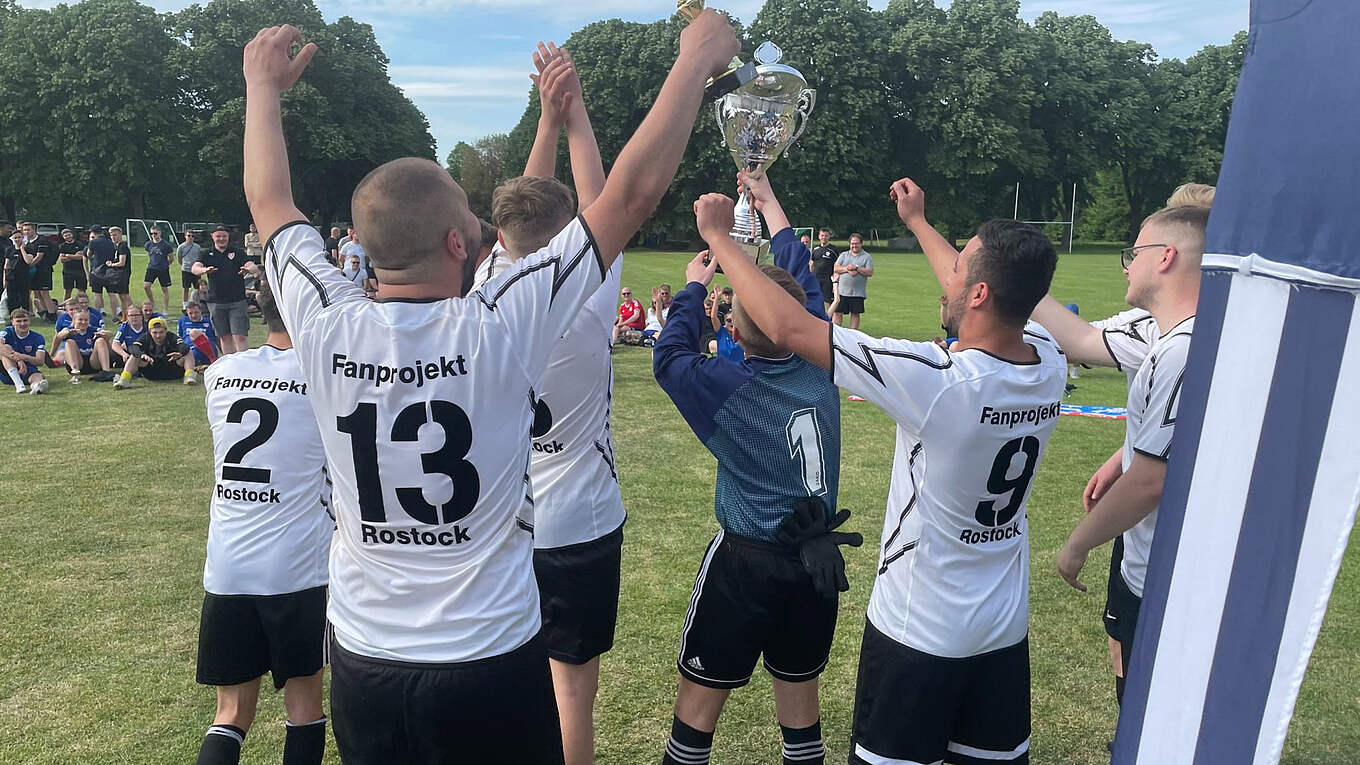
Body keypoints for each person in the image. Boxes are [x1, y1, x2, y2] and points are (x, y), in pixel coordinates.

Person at [242, 18, 737, 763]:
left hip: (366, 657)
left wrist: (262, 90)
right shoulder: (500, 323)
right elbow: (628, 197)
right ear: (457, 244)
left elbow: (269, 202)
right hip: (488, 656)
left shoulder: (324, 321)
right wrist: (694, 60)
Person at [710, 175, 1067, 765]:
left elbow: (790, 328)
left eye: (959, 270)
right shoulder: (1049, 360)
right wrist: (918, 223)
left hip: (918, 632)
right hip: (1003, 631)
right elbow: (988, 295)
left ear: (979, 293)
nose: (949, 276)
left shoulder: (938, 381)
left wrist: (720, 240)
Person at [654, 170, 851, 765]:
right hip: (815, 562)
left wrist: (694, 288)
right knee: (801, 715)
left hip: (745, 563)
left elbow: (670, 356)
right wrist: (768, 202)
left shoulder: (727, 385)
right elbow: (798, 276)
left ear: (734, 329)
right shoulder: (825, 360)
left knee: (697, 712)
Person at [468, 43, 623, 764]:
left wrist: (546, 120)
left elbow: (527, 221)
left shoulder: (486, 295)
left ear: (500, 239)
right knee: (571, 692)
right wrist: (575, 111)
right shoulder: (590, 303)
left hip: (501, 523)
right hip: (580, 523)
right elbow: (600, 200)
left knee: (504, 681)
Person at [1028, 203, 1209, 730]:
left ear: (1166, 257)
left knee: (1155, 711)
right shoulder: (1177, 336)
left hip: (1167, 574)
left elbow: (1152, 480)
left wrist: (1076, 544)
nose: (1127, 264)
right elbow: (1081, 340)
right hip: (1155, 563)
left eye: (1135, 252)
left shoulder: (1185, 349)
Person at [194, 278, 330, 765]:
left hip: (228, 566)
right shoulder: (323, 376)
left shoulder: (222, 372)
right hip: (297, 567)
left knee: (230, 713)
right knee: (304, 705)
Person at [193, 225, 252, 354]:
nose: (221, 239)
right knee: (224, 337)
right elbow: (195, 268)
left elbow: (250, 264)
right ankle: (230, 364)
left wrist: (249, 268)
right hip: (216, 302)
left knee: (240, 336)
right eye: (218, 236)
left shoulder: (237, 252)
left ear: (228, 236)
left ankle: (244, 363)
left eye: (224, 236)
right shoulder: (206, 253)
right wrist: (204, 270)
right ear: (212, 236)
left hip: (237, 301)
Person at [113, 316, 197, 387]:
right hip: (151, 371)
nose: (158, 336)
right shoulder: (145, 337)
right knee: (134, 355)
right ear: (150, 332)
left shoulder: (171, 336)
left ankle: (189, 377)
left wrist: (180, 354)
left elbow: (184, 346)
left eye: (161, 332)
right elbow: (133, 348)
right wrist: (142, 355)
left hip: (172, 370)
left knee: (188, 352)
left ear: (166, 330)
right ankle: (124, 380)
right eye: (155, 332)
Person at [52, 308, 115, 383]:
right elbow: (59, 336)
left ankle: (106, 372)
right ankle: (75, 372)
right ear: (74, 320)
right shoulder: (69, 329)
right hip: (78, 362)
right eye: (80, 319)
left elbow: (110, 333)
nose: (83, 322)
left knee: (100, 340)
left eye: (86, 320)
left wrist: (103, 335)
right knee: (69, 342)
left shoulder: (92, 329)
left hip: (93, 362)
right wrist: (68, 332)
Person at [1, 308, 49, 394]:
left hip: (28, 370)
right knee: (6, 347)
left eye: (25, 320)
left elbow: (40, 361)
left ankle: (36, 387)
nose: (22, 324)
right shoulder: (7, 332)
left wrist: (24, 357)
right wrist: (18, 359)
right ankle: (19, 385)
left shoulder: (38, 337)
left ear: (29, 321)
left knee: (38, 376)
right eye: (18, 321)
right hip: (7, 372)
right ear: (12, 322)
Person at [833, 233, 873, 329]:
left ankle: (853, 334)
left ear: (861, 244)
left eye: (856, 243)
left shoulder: (866, 257)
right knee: (838, 312)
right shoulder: (844, 255)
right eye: (852, 243)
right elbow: (836, 268)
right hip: (842, 291)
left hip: (857, 293)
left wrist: (857, 268)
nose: (854, 245)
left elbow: (870, 272)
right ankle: (836, 333)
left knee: (855, 314)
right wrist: (848, 269)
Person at [22, 223, 59, 320]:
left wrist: (29, 265)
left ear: (34, 230)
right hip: (34, 271)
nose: (26, 232)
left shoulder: (41, 241)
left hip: (44, 270)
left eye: (28, 229)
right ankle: (45, 313)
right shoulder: (27, 243)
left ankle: (52, 315)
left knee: (44, 293)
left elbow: (39, 256)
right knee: (38, 293)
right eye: (25, 230)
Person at [143, 225, 176, 314]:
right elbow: (149, 255)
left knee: (164, 289)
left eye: (155, 233)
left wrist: (166, 264)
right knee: (146, 286)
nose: (153, 235)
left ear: (159, 233)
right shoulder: (148, 244)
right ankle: (153, 304)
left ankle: (165, 309)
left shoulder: (166, 245)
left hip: (163, 269)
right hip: (151, 268)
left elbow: (171, 258)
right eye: (151, 233)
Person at [706, 287, 743, 363]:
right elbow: (713, 317)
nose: (731, 322)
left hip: (738, 368)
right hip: (723, 368)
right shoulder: (721, 332)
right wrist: (716, 298)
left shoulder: (741, 334)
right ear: (725, 322)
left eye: (733, 320)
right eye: (729, 320)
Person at [179, 301, 220, 366]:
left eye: (196, 312)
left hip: (207, 352)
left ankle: (211, 360)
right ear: (187, 313)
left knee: (194, 333)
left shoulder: (208, 321)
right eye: (190, 313)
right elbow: (180, 337)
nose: (194, 315)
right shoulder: (183, 321)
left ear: (201, 311)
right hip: (189, 351)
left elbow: (217, 339)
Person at [105, 226, 134, 316]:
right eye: (111, 235)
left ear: (120, 235)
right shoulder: (116, 246)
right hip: (119, 274)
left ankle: (132, 313)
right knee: (122, 296)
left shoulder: (122, 247)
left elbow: (122, 262)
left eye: (115, 235)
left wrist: (111, 265)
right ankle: (125, 315)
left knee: (125, 296)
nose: (113, 237)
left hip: (123, 274)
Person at [809, 229, 839, 314]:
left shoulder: (833, 249)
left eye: (826, 235)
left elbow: (836, 265)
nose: (824, 237)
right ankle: (815, 316)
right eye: (822, 235)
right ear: (819, 237)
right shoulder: (815, 249)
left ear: (829, 237)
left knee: (827, 300)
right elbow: (812, 263)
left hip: (827, 279)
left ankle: (829, 318)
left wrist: (835, 280)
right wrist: (810, 276)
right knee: (815, 299)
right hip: (816, 278)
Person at [4, 228, 32, 314]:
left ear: (22, 237)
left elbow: (28, 261)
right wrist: (4, 279)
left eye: (19, 237)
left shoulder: (28, 248)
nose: (17, 239)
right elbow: (6, 265)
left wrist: (22, 249)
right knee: (12, 297)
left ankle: (25, 314)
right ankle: (13, 315)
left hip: (23, 276)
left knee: (24, 296)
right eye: (15, 238)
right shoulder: (9, 249)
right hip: (11, 277)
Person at [59, 229, 87, 301]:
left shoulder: (80, 244)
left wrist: (68, 256)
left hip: (80, 271)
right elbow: (62, 259)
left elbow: (81, 257)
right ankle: (65, 306)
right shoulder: (62, 246)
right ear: (63, 237)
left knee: (82, 290)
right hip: (67, 271)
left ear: (72, 235)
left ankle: (82, 305)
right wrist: (75, 256)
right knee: (68, 290)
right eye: (65, 236)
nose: (68, 237)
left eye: (69, 235)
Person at [180, 230, 204, 312]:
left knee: (198, 287)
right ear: (185, 236)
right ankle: (185, 305)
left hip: (195, 270)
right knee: (185, 288)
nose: (190, 238)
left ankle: (199, 303)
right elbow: (179, 257)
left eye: (192, 236)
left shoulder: (197, 247)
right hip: (186, 269)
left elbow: (200, 257)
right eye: (189, 236)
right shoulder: (181, 247)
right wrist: (184, 265)